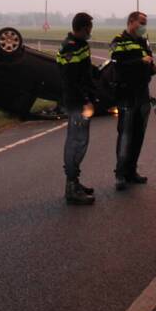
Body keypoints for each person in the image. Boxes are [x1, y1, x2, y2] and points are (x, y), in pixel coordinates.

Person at [109, 11, 156, 190]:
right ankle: (120, 174)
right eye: (141, 22)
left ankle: (132, 171)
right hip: (126, 93)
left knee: (139, 134)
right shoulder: (119, 41)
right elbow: (118, 64)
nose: (144, 26)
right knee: (125, 134)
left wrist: (152, 69)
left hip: (142, 92)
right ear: (131, 22)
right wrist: (140, 61)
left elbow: (146, 64)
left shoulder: (143, 41)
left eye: (145, 23)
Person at [57, 12, 97, 205]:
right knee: (76, 143)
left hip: (80, 100)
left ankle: (74, 182)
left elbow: (85, 72)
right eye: (89, 27)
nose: (91, 31)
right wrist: (85, 101)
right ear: (82, 28)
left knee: (80, 141)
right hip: (76, 103)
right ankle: (71, 188)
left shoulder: (80, 46)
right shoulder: (70, 48)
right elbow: (72, 80)